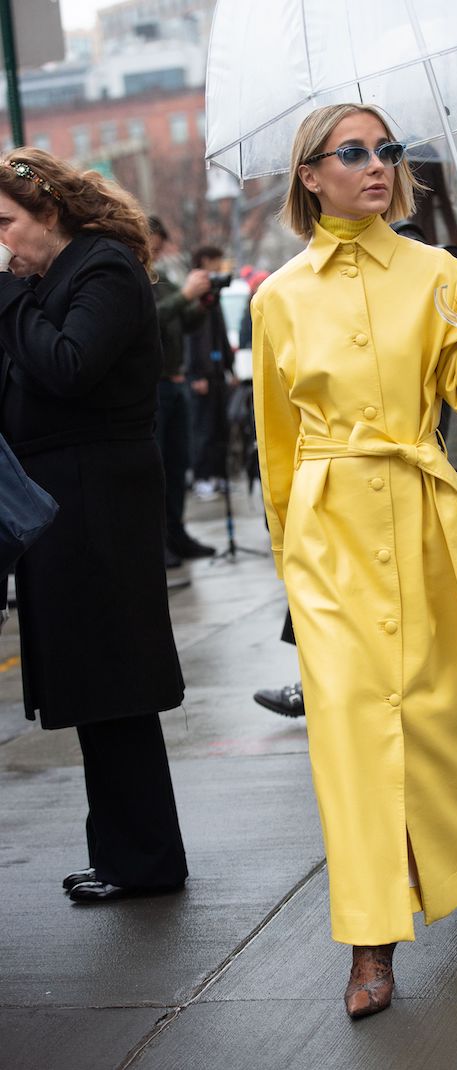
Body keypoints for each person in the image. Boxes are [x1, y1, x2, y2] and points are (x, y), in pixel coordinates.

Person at [252, 103, 457, 1019]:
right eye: (354, 152)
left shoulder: (439, 271)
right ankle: (371, 942)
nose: (377, 166)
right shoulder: (278, 297)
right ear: (312, 176)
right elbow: (276, 445)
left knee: (454, 702)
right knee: (351, 734)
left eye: (388, 151)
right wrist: (290, 556)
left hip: (422, 512)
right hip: (330, 539)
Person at [0, 149, 188, 902]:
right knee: (91, 681)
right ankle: (118, 852)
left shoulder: (103, 268)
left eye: (8, 221)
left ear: (49, 213)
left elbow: (70, 365)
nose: (3, 237)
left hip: (98, 498)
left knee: (114, 681)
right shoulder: (47, 280)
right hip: (62, 499)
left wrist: (7, 302)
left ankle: (144, 860)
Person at [148, 217, 215, 565]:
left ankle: (177, 532)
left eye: (158, 246)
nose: (154, 253)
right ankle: (158, 541)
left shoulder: (162, 280)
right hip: (153, 387)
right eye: (151, 245)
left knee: (178, 465)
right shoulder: (128, 278)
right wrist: (186, 295)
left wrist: (201, 301)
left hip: (175, 382)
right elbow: (149, 319)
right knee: (157, 470)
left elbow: (185, 321)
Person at [187, 245, 234, 502]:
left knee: (220, 427)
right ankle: (202, 477)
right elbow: (192, 336)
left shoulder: (211, 293)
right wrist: (196, 374)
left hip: (216, 372)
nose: (220, 266)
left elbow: (220, 335)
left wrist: (229, 366)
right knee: (203, 428)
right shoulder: (194, 291)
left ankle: (218, 475)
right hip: (202, 374)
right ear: (205, 260)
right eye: (216, 260)